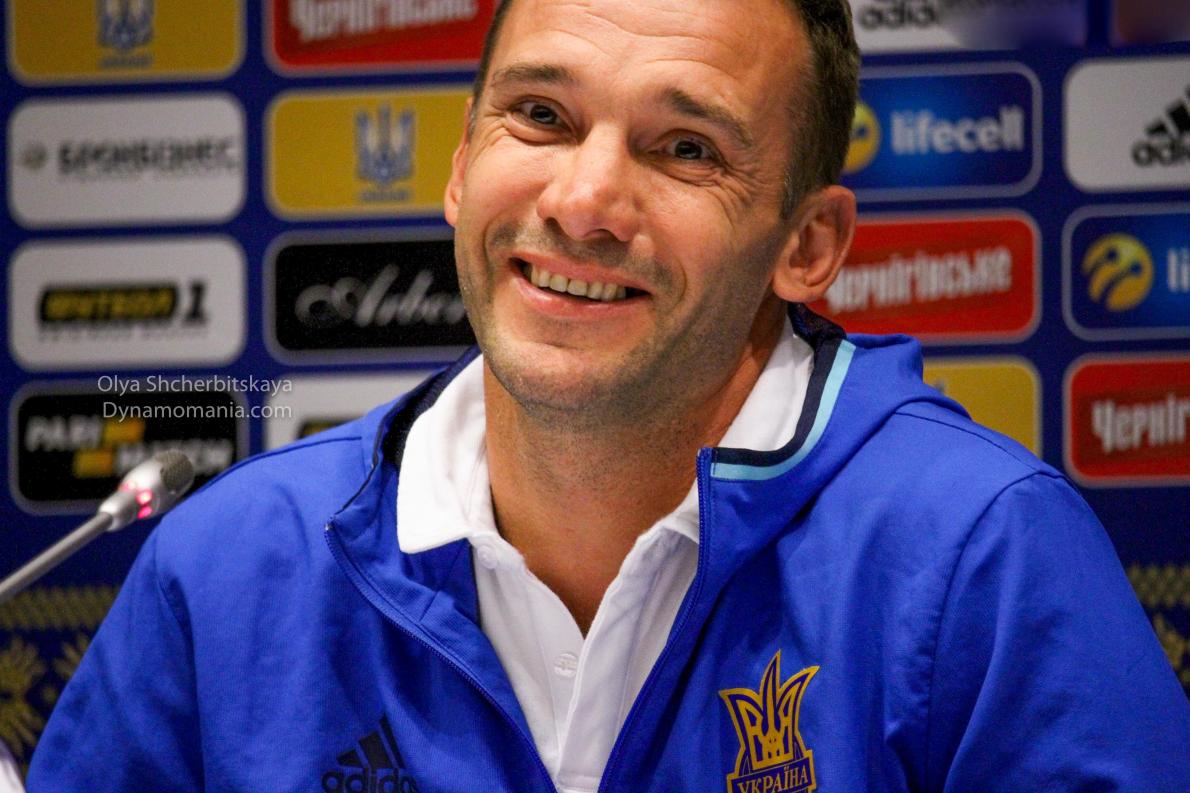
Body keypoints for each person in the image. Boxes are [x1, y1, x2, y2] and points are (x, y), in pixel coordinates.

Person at [27, 0, 1190, 790]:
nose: (583, 200)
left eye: (684, 148)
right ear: (458, 166)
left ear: (806, 245)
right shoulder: (228, 569)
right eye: (539, 116)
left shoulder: (983, 558)